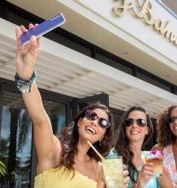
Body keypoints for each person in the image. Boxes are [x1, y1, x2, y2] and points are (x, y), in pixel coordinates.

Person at [14, 24, 116, 187]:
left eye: (103, 123)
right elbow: (40, 118)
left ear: (103, 135)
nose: (95, 122)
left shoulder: (102, 170)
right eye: (91, 116)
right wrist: (25, 75)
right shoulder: (55, 150)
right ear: (79, 121)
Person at [112, 105, 158, 188]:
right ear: (125, 128)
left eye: (141, 122)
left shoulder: (155, 157)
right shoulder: (113, 157)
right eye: (129, 122)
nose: (134, 126)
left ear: (147, 130)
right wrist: (139, 184)